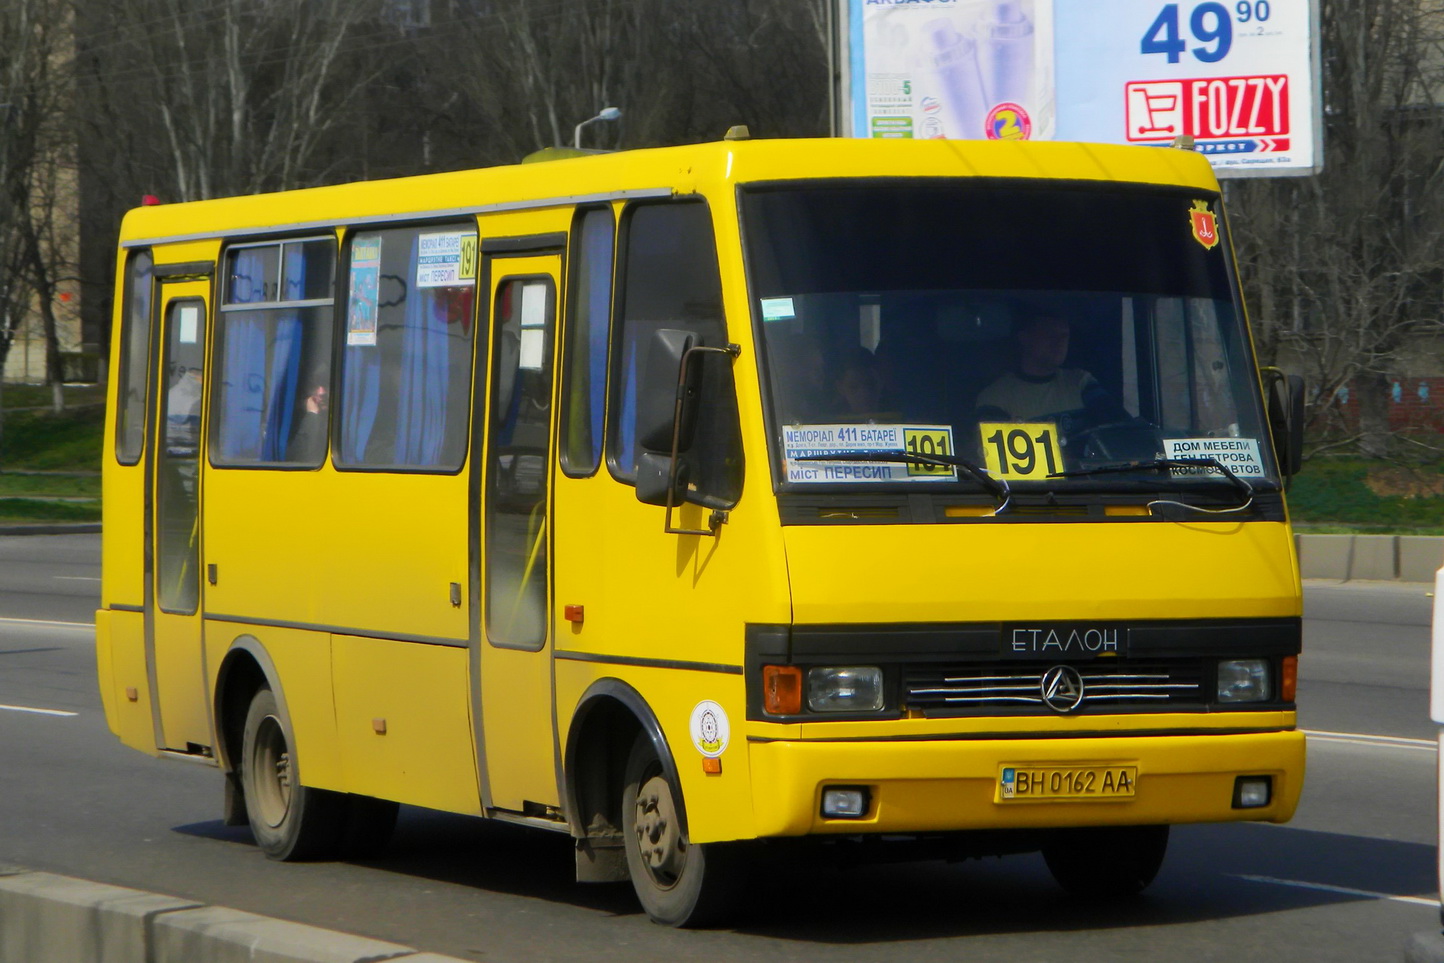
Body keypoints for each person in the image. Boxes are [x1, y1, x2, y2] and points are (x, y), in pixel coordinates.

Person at [975, 316, 1099, 420]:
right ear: (1025, 338)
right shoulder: (996, 397)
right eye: (1050, 335)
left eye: (1064, 336)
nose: (1059, 342)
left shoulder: (1080, 382)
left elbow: (1111, 426)